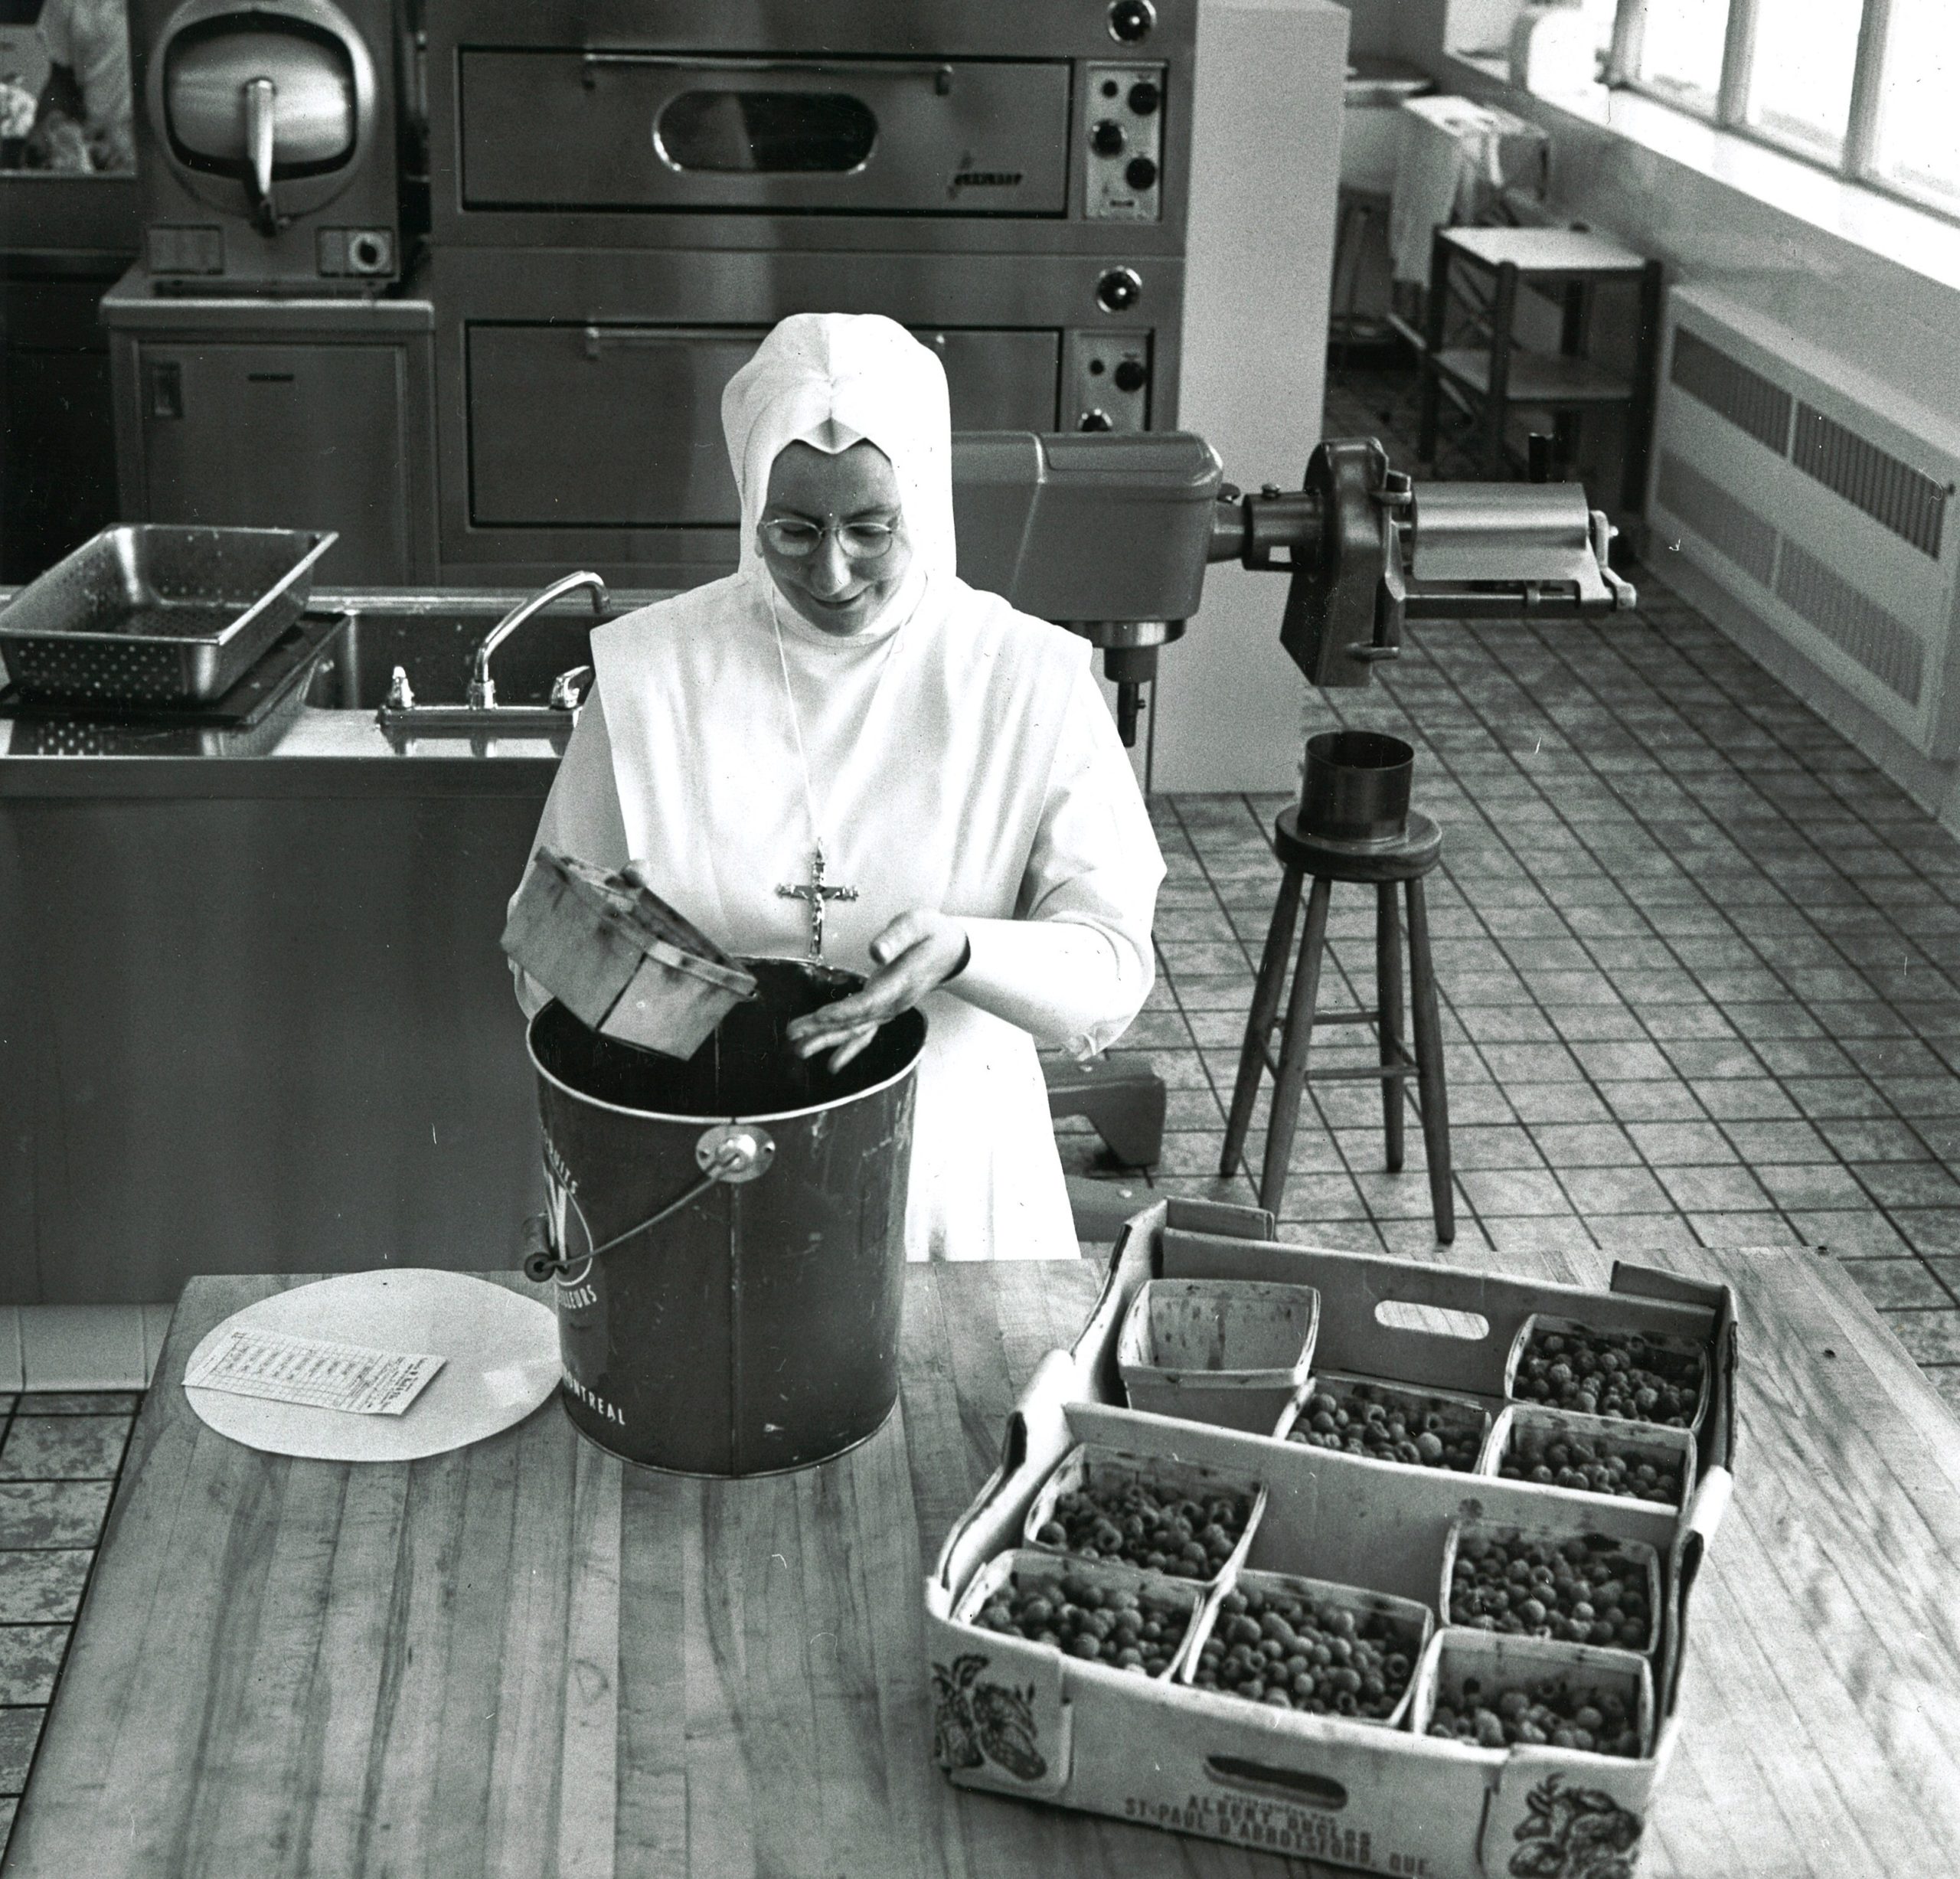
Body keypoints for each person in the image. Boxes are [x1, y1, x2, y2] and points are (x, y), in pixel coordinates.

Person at [513, 312, 1164, 1260]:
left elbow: (1111, 973)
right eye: (792, 530)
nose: (830, 570)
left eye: (870, 529)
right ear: (750, 507)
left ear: (922, 501)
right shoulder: (653, 671)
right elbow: (542, 964)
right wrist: (638, 972)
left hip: (947, 1165)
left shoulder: (1024, 676)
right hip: (700, 1161)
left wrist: (963, 951)